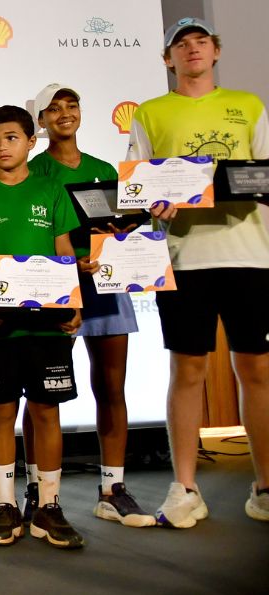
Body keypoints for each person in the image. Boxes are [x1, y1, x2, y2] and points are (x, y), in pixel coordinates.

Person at [128, 17, 269, 526]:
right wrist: (152, 203)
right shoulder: (150, 112)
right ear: (168, 59)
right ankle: (185, 488)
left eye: (201, 42)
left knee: (257, 370)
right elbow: (137, 187)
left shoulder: (249, 105)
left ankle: (265, 485)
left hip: (249, 254)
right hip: (184, 257)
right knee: (187, 371)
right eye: (181, 44)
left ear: (216, 51)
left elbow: (264, 170)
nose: (192, 49)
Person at [0, 105, 88, 548]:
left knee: (47, 411)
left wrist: (74, 301)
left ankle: (48, 506)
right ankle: (6, 504)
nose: (1, 147)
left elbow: (64, 249)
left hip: (48, 323)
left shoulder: (51, 189)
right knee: (2, 411)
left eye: (11, 138)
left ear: (32, 141)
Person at [22, 83, 155, 528]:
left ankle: (112, 489)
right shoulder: (33, 171)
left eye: (71, 105)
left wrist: (129, 235)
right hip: (56, 286)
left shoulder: (104, 169)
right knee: (42, 392)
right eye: (54, 108)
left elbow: (126, 226)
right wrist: (66, 262)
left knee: (111, 387)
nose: (64, 113)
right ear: (41, 121)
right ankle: (36, 489)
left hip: (107, 283)